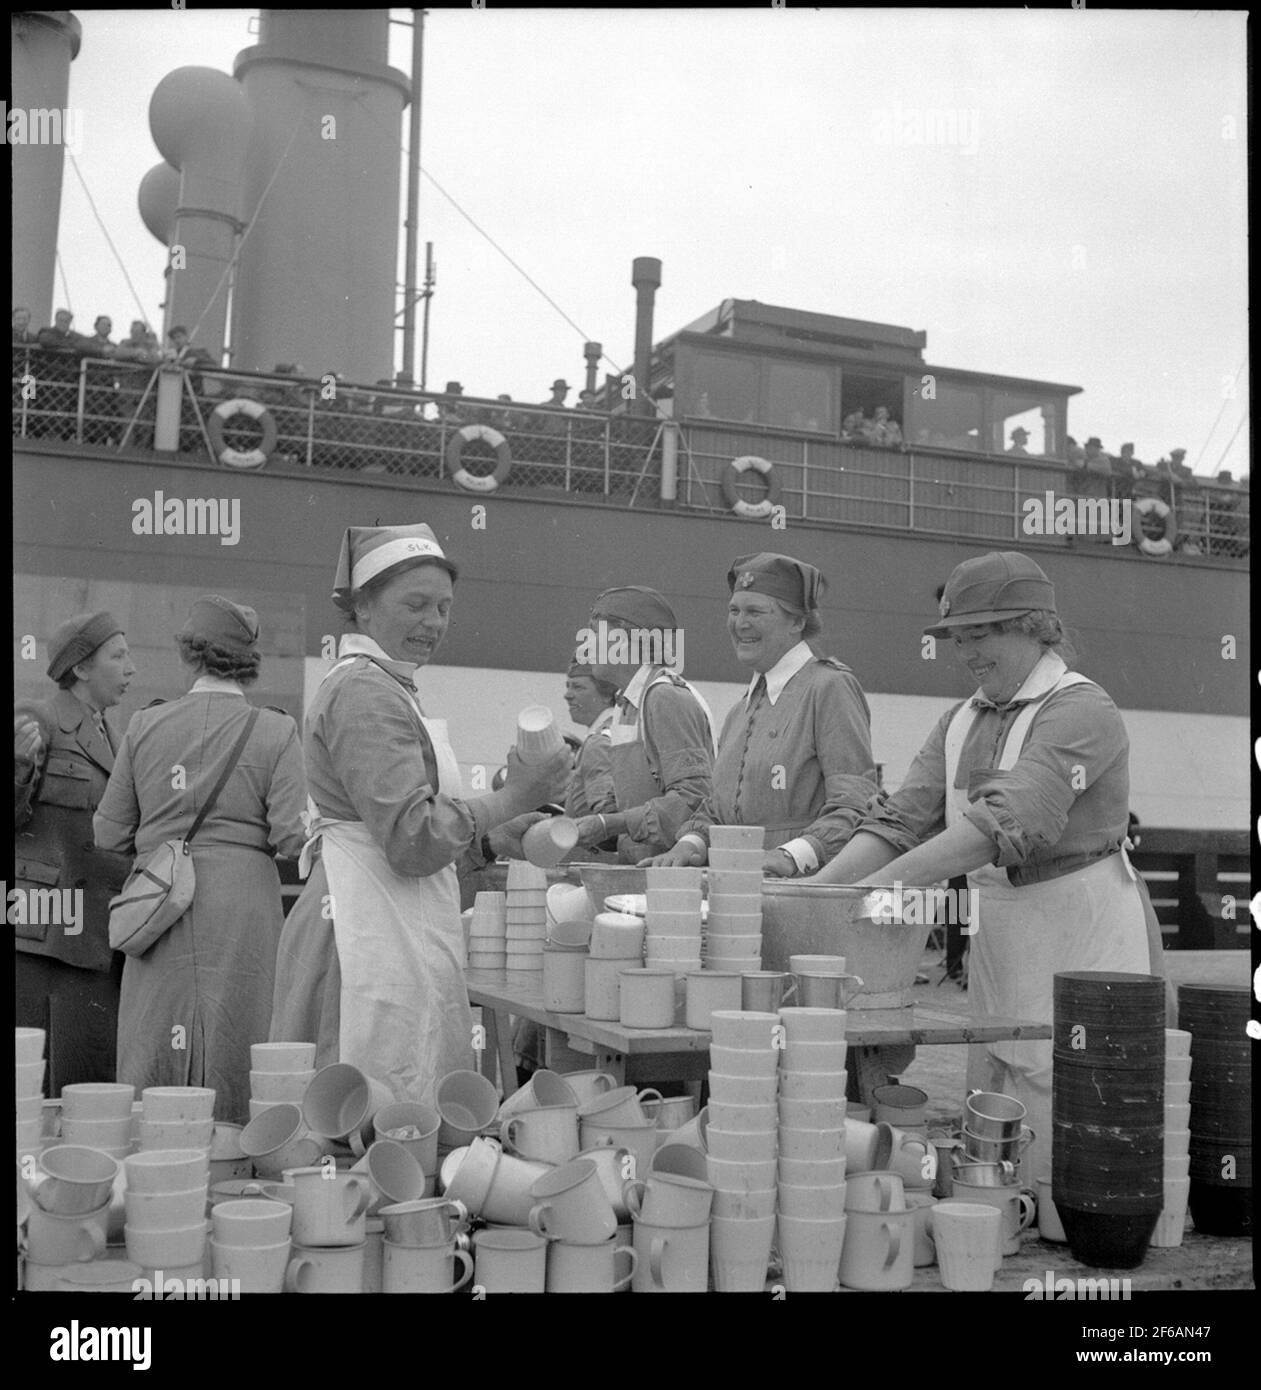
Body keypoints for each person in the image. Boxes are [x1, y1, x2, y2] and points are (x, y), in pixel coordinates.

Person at [809, 552, 1163, 1181]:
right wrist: (816, 889)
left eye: (982, 634)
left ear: (1036, 627)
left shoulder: (1082, 709)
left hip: (1084, 935)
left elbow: (1003, 825)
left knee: (1076, 1107)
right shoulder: (959, 721)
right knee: (997, 1085)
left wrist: (873, 890)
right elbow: (898, 819)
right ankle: (1011, 1213)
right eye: (957, 638)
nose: (966, 652)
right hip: (1000, 938)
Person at [268, 523, 570, 1103]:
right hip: (356, 932)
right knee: (357, 1104)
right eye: (415, 604)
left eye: (443, 607)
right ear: (362, 606)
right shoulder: (365, 693)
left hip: (380, 916)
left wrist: (491, 835)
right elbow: (411, 840)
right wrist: (513, 797)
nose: (432, 622)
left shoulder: (387, 686)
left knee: (389, 1099)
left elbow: (410, 820)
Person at [94, 597, 306, 1123]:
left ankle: (157, 1152)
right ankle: (239, 1155)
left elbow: (107, 831)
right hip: (244, 905)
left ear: (191, 655)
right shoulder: (276, 731)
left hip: (158, 899)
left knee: (155, 1035)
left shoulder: (145, 725)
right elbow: (291, 837)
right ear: (249, 661)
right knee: (242, 1033)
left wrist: (157, 844)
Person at [642, 554, 877, 877]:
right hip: (737, 891)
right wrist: (689, 845)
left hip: (803, 891)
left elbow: (855, 802)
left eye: (755, 611)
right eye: (734, 611)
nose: (740, 624)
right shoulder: (741, 710)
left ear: (798, 622)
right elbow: (717, 808)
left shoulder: (830, 688)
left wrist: (789, 856)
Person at [15, 612, 136, 1092]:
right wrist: (19, 769)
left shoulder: (112, 733)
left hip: (95, 934)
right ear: (82, 668)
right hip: (45, 937)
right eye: (118, 656)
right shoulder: (37, 718)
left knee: (83, 1078)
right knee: (42, 1084)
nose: (131, 669)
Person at [569, 586, 715, 862]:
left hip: (673, 878)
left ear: (623, 640)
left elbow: (693, 801)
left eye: (593, 634)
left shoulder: (665, 698)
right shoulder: (627, 704)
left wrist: (610, 824)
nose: (583, 647)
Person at [563, 657, 618, 824]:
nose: (567, 695)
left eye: (578, 687)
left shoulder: (598, 743)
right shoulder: (620, 730)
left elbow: (606, 820)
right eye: (568, 686)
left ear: (607, 696)